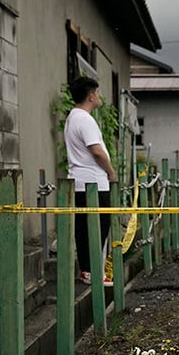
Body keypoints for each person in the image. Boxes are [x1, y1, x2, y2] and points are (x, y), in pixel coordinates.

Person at [64, 76, 117, 286]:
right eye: (98, 92)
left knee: (84, 229)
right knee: (97, 229)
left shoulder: (73, 117)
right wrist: (111, 172)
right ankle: (92, 272)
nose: (99, 96)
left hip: (79, 181)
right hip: (93, 182)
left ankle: (87, 271)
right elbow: (97, 151)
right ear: (91, 95)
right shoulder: (84, 119)